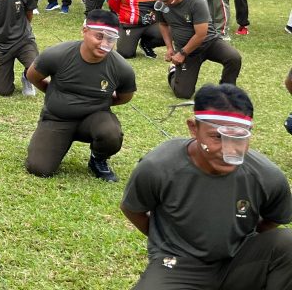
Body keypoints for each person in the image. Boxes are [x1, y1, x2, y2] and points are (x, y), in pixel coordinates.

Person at [121, 84, 292, 289]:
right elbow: (132, 209)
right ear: (194, 128)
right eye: (217, 137)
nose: (228, 150)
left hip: (239, 261)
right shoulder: (158, 166)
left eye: (238, 137)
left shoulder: (267, 175)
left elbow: (273, 220)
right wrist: (166, 240)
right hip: (179, 264)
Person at [24, 9, 136, 182]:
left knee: (111, 133)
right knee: (39, 168)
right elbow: (33, 76)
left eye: (110, 39)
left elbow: (124, 97)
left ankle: (97, 159)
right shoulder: (57, 54)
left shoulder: (122, 68)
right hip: (57, 119)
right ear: (84, 31)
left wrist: (97, 103)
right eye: (99, 37)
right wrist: (54, 93)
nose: (105, 44)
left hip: (94, 119)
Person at [152, 0, 241, 99]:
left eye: (167, 0)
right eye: (161, 0)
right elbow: (163, 24)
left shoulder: (196, 1)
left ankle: (227, 89)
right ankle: (173, 72)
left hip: (209, 43)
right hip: (188, 52)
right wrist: (169, 48)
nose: (164, 4)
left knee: (233, 57)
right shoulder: (161, 4)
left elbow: (201, 34)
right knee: (183, 93)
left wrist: (182, 54)